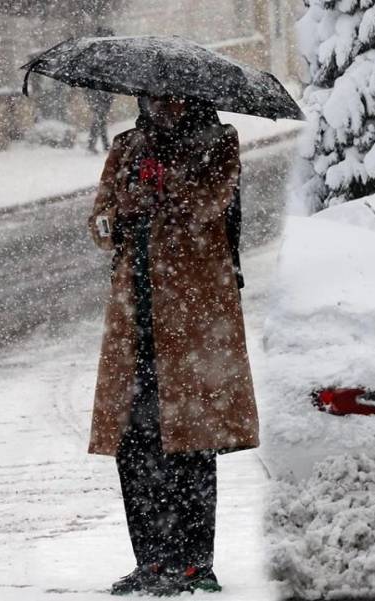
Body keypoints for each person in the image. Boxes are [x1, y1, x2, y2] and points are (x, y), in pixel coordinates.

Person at [87, 95, 258, 596]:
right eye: (153, 96)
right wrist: (122, 209)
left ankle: (192, 563)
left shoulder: (217, 144)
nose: (162, 105)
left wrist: (163, 190)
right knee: (134, 444)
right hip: (134, 322)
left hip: (193, 321)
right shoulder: (126, 146)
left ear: (194, 98)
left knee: (190, 442)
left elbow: (211, 205)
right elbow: (98, 225)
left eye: (172, 96)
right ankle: (151, 561)